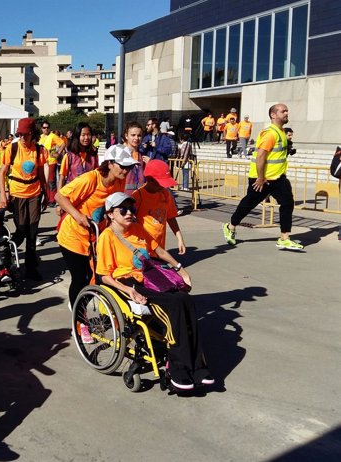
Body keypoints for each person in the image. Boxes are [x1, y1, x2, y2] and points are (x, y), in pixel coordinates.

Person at [96, 192, 213, 390]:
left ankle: (198, 368)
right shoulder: (107, 237)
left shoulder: (138, 229)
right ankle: (178, 371)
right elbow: (104, 276)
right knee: (173, 307)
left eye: (131, 209)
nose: (129, 213)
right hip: (129, 281)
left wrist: (180, 268)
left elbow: (158, 250)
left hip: (151, 276)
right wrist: (128, 290)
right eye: (122, 210)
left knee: (185, 300)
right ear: (110, 214)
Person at [55, 145, 134, 308]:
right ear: (110, 163)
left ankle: (78, 305)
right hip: (73, 236)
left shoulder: (120, 181)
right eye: (123, 166)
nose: (126, 171)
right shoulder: (90, 179)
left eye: (129, 167)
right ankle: (78, 319)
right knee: (80, 277)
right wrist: (78, 216)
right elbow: (59, 196)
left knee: (95, 276)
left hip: (95, 237)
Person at [223, 104, 304, 251]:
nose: (286, 113)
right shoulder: (270, 133)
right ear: (273, 115)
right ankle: (230, 226)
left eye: (287, 110)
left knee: (287, 203)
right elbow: (261, 156)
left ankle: (284, 238)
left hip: (278, 178)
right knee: (249, 203)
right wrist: (260, 178)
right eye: (283, 111)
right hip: (262, 179)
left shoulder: (281, 132)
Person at [0, 118, 48, 280]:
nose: (23, 138)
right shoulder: (12, 148)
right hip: (17, 194)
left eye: (26, 135)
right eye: (20, 134)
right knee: (22, 229)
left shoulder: (39, 150)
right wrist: (3, 194)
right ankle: (6, 249)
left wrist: (46, 193)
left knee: (32, 231)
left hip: (34, 193)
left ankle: (31, 267)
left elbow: (40, 174)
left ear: (33, 134)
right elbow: (2, 172)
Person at [133, 160, 186, 254]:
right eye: (160, 183)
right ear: (150, 179)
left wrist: (179, 238)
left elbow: (171, 217)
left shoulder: (165, 194)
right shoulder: (138, 196)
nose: (162, 186)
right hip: (142, 248)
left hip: (160, 248)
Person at [57, 122, 99, 193]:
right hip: (71, 195)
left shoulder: (94, 156)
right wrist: (59, 199)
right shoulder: (69, 156)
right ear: (77, 136)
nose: (86, 138)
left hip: (88, 195)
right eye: (83, 135)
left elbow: (96, 176)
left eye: (88, 135)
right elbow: (62, 178)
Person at [39, 120, 65, 206]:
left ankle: (52, 199)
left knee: (51, 180)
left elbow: (63, 143)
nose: (46, 129)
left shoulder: (53, 136)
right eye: (44, 127)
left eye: (47, 127)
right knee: (43, 181)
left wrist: (58, 153)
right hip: (42, 162)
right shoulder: (40, 137)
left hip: (51, 160)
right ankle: (46, 198)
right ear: (41, 128)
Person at [121, 121, 145, 194]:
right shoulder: (120, 153)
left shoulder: (141, 156)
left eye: (139, 135)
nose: (136, 138)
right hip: (123, 197)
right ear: (126, 136)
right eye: (133, 135)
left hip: (140, 197)